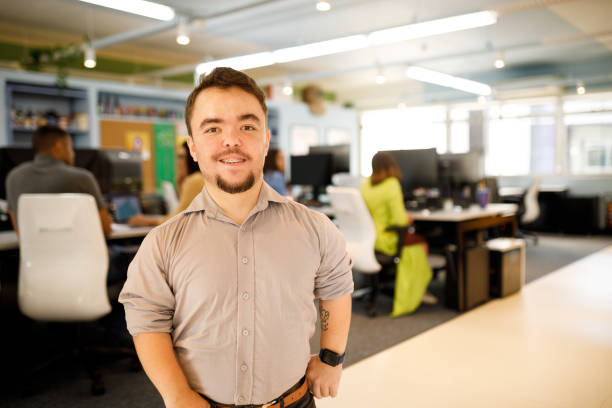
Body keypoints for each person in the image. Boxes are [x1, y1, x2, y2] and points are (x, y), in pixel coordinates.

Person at [119, 67, 353, 408]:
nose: (231, 140)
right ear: (193, 147)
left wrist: (332, 359)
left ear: (266, 140)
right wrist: (176, 394)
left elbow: (336, 290)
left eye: (247, 126)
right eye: (213, 128)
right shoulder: (162, 243)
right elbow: (147, 323)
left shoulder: (315, 228)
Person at [360, 151, 437, 306]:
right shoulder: (391, 184)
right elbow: (399, 220)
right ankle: (419, 290)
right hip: (386, 240)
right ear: (391, 166)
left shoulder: (365, 185)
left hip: (368, 239)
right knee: (422, 241)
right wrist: (408, 217)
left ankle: (398, 279)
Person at [5, 125, 112, 237]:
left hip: (34, 254)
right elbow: (105, 230)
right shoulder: (83, 178)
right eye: (71, 148)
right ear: (58, 146)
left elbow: (20, 232)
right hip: (79, 253)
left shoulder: (13, 177)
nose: (73, 154)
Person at [127, 141, 204, 226]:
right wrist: (180, 183)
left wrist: (148, 222)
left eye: (181, 157)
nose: (177, 162)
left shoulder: (195, 180)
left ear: (191, 158)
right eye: (177, 157)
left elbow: (181, 217)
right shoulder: (197, 178)